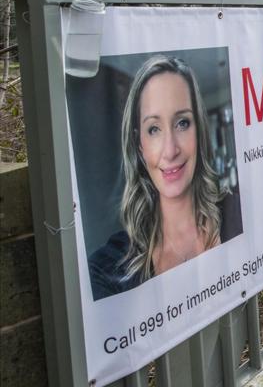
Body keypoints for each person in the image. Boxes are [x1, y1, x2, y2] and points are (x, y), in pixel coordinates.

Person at [88, 55, 241, 300]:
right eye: (154, 129)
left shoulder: (236, 216)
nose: (170, 150)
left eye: (182, 123)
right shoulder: (105, 269)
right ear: (140, 146)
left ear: (199, 132)